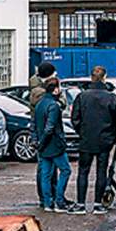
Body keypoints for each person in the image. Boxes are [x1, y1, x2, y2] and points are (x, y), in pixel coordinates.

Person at [70, 66, 116, 215]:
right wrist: (113, 136)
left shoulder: (82, 96)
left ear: (91, 77)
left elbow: (75, 118)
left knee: (83, 171)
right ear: (104, 77)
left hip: (86, 138)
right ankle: (98, 203)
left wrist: (82, 131)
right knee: (101, 171)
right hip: (105, 139)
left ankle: (80, 203)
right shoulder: (111, 97)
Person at [29, 62, 68, 207]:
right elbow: (50, 121)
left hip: (42, 138)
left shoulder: (36, 91)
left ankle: (48, 200)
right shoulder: (45, 95)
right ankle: (55, 198)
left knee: (46, 171)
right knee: (61, 170)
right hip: (49, 140)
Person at [34, 78, 72, 212]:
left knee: (45, 174)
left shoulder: (39, 104)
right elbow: (50, 128)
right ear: (55, 89)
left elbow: (34, 125)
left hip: (43, 146)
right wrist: (44, 142)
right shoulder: (53, 105)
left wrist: (38, 142)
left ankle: (47, 202)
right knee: (66, 170)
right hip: (54, 145)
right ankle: (59, 200)